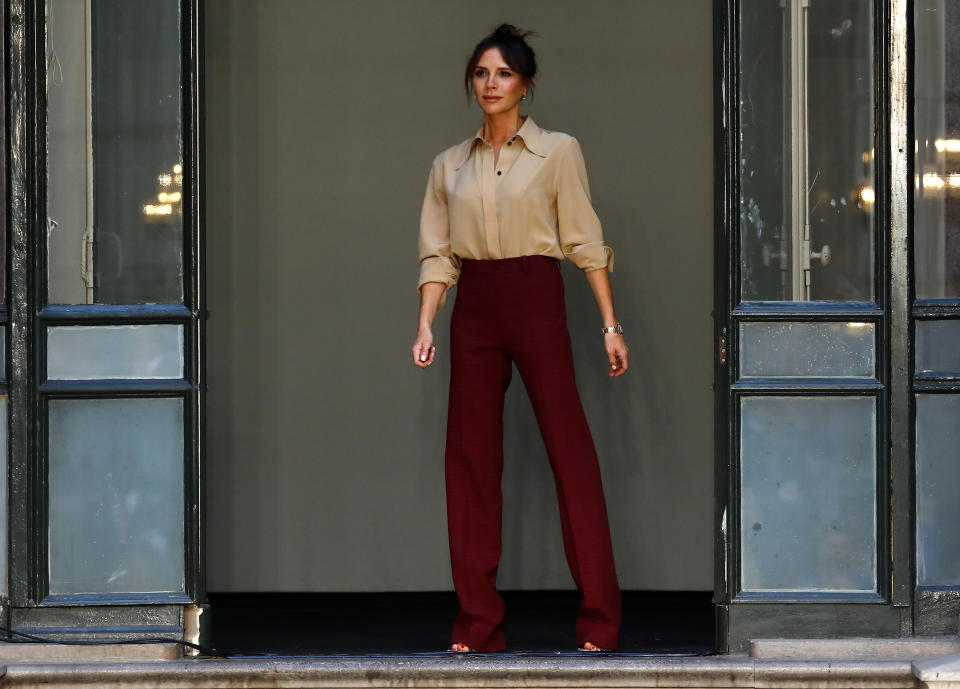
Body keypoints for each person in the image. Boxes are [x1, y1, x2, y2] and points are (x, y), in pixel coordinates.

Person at [411, 23, 627, 654]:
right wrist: (427, 319)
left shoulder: (558, 151)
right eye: (481, 73)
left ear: (525, 85)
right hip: (473, 305)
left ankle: (600, 625)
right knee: (471, 461)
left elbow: (586, 239)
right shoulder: (448, 164)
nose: (491, 84)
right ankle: (478, 627)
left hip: (536, 293)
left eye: (503, 73)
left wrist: (610, 325)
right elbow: (438, 254)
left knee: (570, 451)